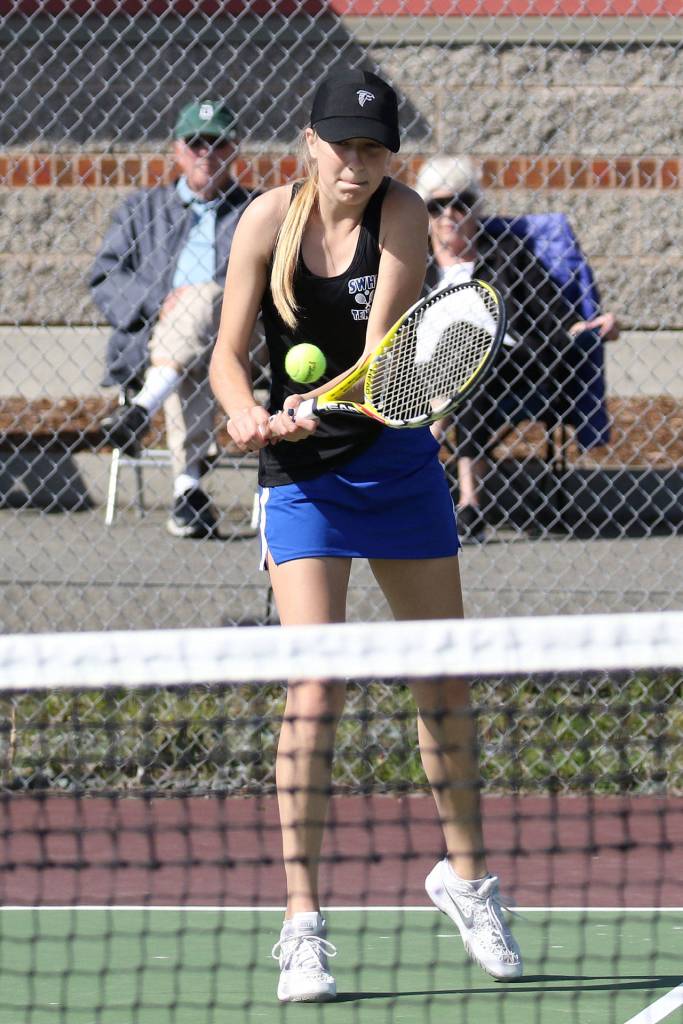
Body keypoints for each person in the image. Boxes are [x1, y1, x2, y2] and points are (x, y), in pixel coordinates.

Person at [209, 70, 522, 1003]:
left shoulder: (401, 218)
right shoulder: (264, 222)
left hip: (395, 473)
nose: (356, 163)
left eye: (375, 149)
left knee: (443, 684)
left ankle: (466, 883)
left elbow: (383, 359)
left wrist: (309, 407)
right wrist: (241, 414)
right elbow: (230, 356)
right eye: (342, 145)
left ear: (391, 158)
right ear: (308, 142)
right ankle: (303, 926)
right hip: (302, 488)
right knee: (315, 688)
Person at [416, 156, 620, 542]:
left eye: (459, 203)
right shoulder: (414, 264)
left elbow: (553, 315)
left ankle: (428, 462)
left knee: (469, 341)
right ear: (425, 212)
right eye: (436, 206)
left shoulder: (508, 254)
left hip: (508, 366)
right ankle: (468, 505)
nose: (449, 214)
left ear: (475, 208)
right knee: (460, 358)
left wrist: (593, 327)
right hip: (423, 371)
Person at [90, 99, 253, 538]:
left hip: (241, 336)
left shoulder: (254, 210)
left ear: (234, 150)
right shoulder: (142, 209)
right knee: (190, 356)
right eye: (195, 142)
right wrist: (158, 299)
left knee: (210, 298)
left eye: (217, 143)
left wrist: (201, 299)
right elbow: (105, 275)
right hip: (157, 336)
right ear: (177, 150)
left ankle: (142, 410)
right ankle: (188, 491)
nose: (206, 153)